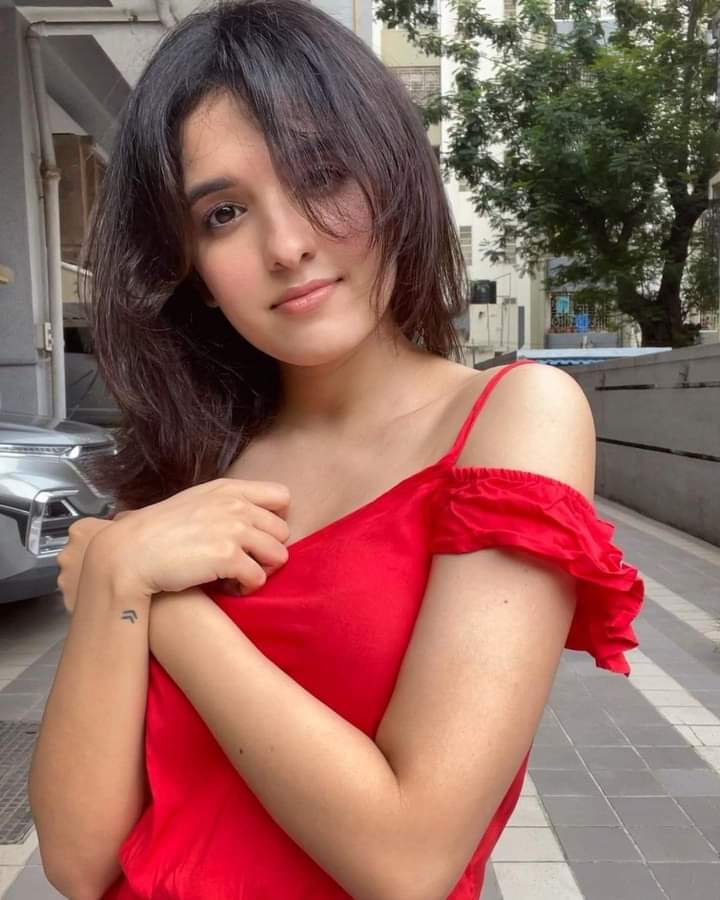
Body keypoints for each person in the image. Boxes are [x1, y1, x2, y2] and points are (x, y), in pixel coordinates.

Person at [28, 1, 644, 898]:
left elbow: (409, 858)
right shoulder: (193, 459)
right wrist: (121, 582)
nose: (287, 246)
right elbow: (78, 863)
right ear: (191, 268)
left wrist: (155, 600)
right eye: (224, 213)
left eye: (319, 174)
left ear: (392, 179)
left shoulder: (511, 417)